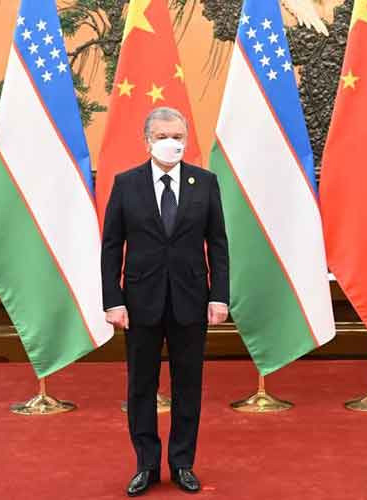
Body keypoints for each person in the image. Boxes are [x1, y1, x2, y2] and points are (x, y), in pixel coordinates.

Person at [101, 107, 230, 496]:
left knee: (188, 385)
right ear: (147, 141)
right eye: (161, 137)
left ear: (186, 140)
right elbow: (111, 247)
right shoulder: (126, 184)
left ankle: (182, 463)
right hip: (140, 301)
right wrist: (113, 300)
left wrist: (219, 296)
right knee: (141, 385)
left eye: (177, 136)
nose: (170, 143)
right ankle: (146, 464)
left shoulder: (204, 183)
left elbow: (218, 244)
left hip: (192, 300)